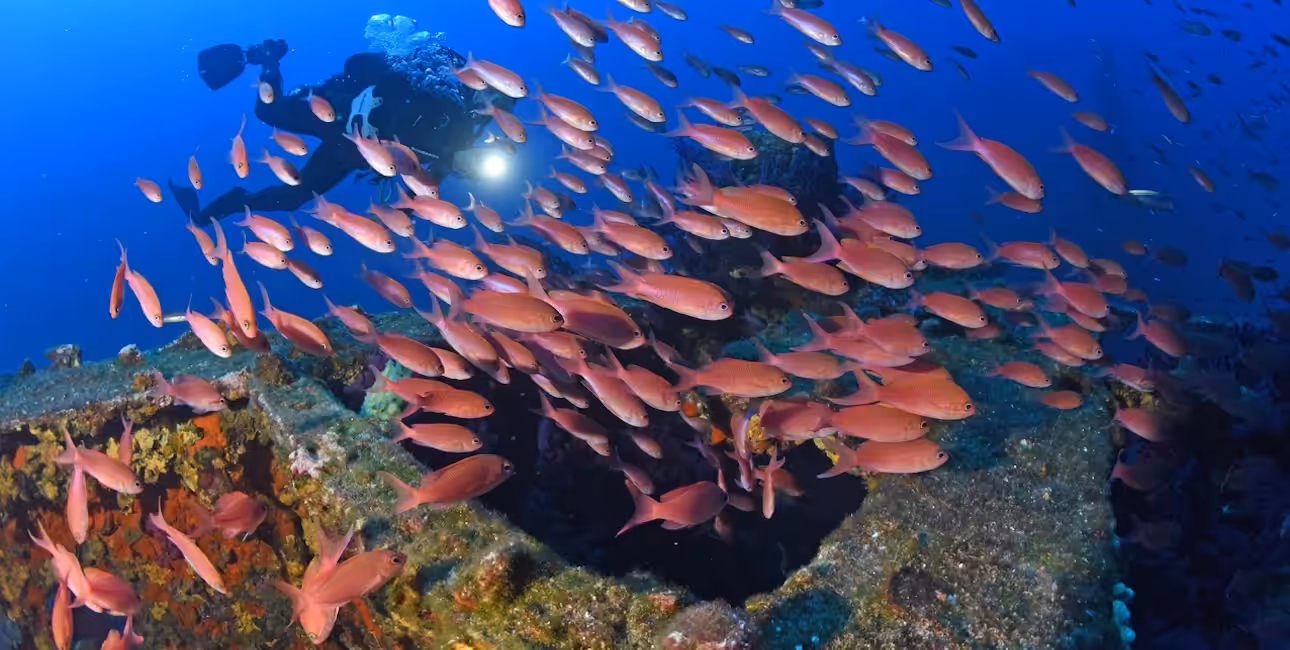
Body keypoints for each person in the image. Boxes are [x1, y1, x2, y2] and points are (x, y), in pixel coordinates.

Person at [177, 39, 509, 224]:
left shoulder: (457, 142)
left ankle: (218, 209)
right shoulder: (434, 94)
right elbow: (367, 70)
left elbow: (422, 197)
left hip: (349, 153)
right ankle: (267, 60)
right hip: (339, 112)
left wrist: (399, 219)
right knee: (266, 111)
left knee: (294, 198)